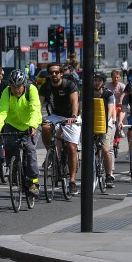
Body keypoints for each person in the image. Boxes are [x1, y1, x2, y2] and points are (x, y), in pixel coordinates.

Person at [0, 69, 42, 194]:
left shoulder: (31, 90)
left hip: (30, 125)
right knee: (10, 147)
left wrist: (32, 125)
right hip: (12, 125)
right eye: (13, 87)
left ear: (24, 84)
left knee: (30, 150)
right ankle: (14, 170)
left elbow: (35, 110)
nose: (16, 90)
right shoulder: (7, 92)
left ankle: (34, 181)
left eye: (19, 87)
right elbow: (2, 110)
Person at [39, 63, 80, 195]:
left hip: (70, 117)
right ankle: (51, 153)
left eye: (56, 72)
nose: (54, 75)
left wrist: (73, 116)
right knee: (45, 127)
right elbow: (38, 104)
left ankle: (72, 181)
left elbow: (75, 102)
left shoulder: (69, 85)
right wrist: (37, 117)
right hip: (55, 116)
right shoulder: (46, 86)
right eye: (51, 72)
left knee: (71, 147)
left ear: (61, 73)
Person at [93, 71, 117, 190]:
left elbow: (110, 110)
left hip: (105, 124)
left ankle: (108, 176)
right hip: (91, 124)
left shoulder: (108, 94)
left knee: (105, 149)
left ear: (103, 82)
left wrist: (103, 122)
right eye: (95, 80)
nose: (97, 82)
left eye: (99, 80)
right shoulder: (88, 93)